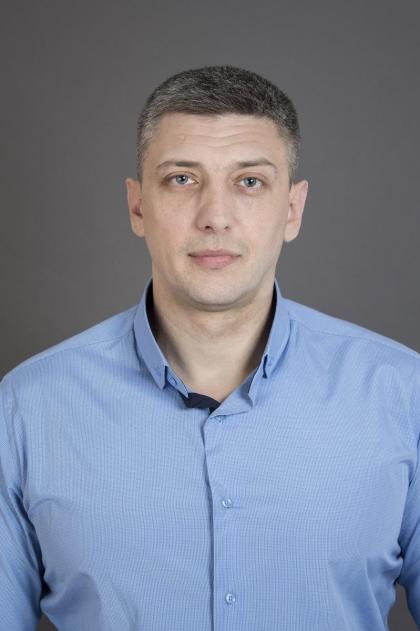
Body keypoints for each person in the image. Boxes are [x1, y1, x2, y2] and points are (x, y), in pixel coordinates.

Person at [0, 65, 419, 631]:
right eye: (181, 179)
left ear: (292, 209)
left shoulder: (403, 395)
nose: (215, 217)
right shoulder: (27, 408)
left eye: (250, 182)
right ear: (137, 206)